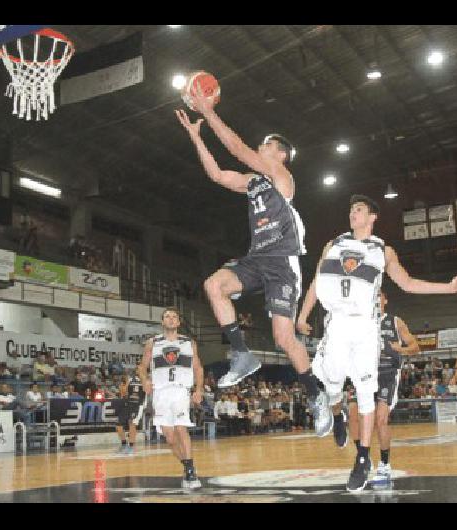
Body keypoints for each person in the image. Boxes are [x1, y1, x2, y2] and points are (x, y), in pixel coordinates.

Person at [176, 94, 328, 433]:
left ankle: (315, 396)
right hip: (257, 258)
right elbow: (217, 174)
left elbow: (237, 148)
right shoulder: (253, 182)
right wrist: (197, 137)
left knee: (284, 340)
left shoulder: (280, 175)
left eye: (266, 145)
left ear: (281, 154)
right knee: (214, 285)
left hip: (282, 264)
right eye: (262, 145)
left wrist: (209, 111)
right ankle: (242, 354)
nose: (260, 147)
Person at [296, 194, 457, 492]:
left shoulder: (383, 251)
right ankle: (336, 418)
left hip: (365, 326)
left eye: (359, 209)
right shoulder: (333, 244)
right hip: (336, 322)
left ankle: (363, 458)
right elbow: (315, 282)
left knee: (366, 396)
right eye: (351, 209)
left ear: (372, 217)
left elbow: (408, 283)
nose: (353, 213)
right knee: (333, 385)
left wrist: (448, 288)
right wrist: (302, 315)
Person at [137, 307, 204, 489]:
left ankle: (190, 471)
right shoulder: (153, 342)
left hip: (181, 390)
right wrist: (145, 380)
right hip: (160, 392)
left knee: (181, 428)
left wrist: (199, 390)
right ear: (162, 322)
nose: (171, 319)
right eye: (167, 316)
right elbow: (142, 367)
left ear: (179, 322)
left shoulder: (189, 342)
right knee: (170, 438)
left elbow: (197, 368)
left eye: (174, 317)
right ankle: (187, 465)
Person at [367, 291, 420, 483]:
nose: (376, 298)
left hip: (388, 373)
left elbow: (415, 346)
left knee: (381, 419)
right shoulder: (362, 320)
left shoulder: (395, 321)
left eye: (379, 295)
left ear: (385, 299)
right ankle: (363, 459)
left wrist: (401, 349)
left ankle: (384, 463)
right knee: (357, 416)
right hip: (366, 374)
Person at [116, 369, 145, 455]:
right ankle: (124, 443)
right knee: (118, 425)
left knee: (132, 424)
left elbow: (148, 391)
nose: (138, 371)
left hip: (138, 405)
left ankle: (131, 446)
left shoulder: (145, 380)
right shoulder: (130, 379)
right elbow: (124, 392)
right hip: (127, 404)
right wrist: (123, 387)